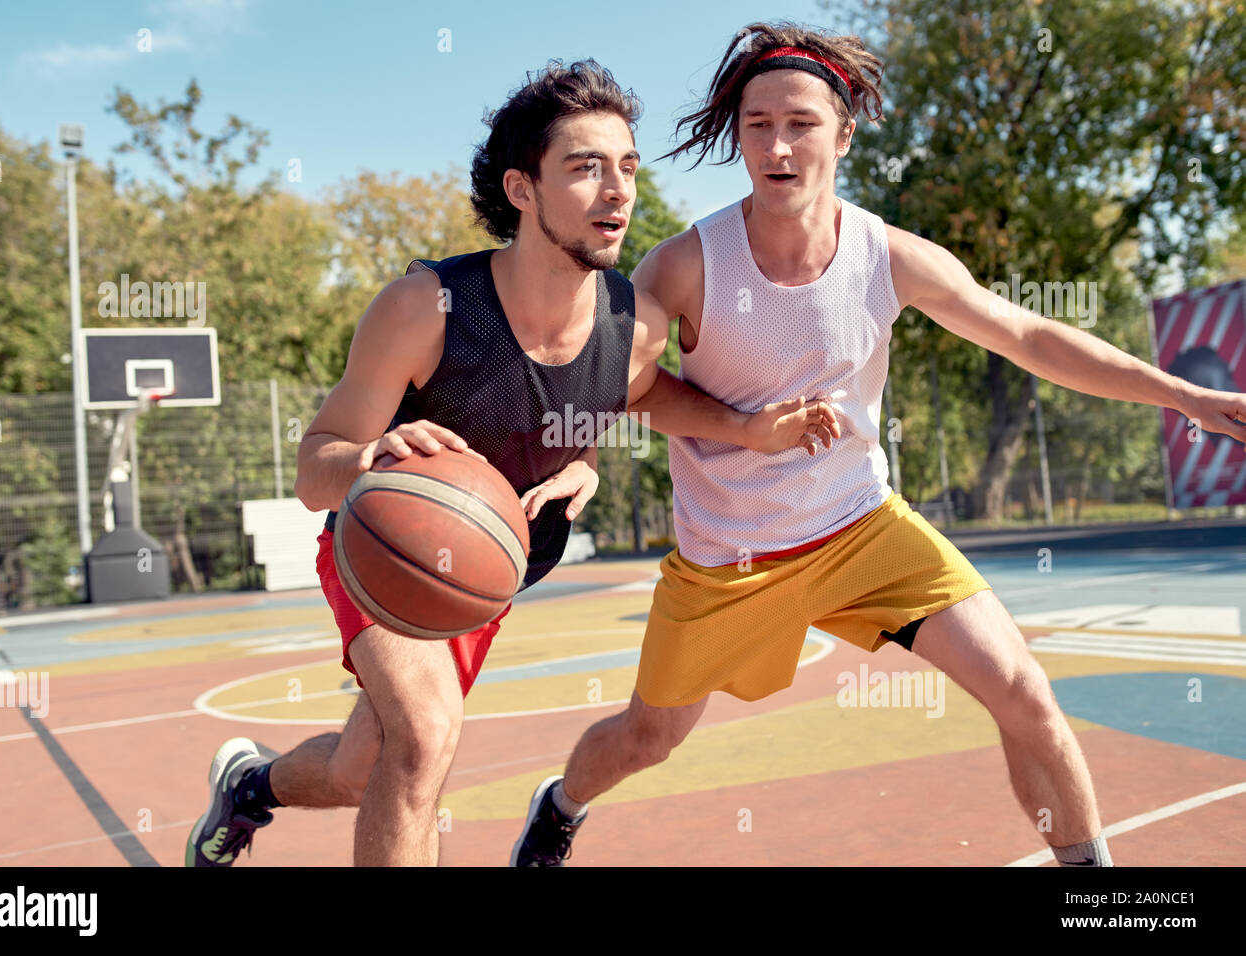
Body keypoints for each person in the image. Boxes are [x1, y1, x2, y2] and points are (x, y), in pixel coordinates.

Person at [511, 22, 1246, 867]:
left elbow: (1029, 336)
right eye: (757, 125)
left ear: (844, 134)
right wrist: (599, 455)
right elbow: (619, 380)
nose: (778, 145)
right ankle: (561, 804)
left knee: (1026, 694)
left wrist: (1184, 394)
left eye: (801, 123)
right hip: (732, 556)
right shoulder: (686, 264)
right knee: (648, 737)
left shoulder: (885, 256)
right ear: (739, 135)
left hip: (862, 525)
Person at [185, 59, 839, 867]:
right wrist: (366, 457)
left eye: (627, 166)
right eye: (584, 167)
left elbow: (639, 395)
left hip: (488, 573)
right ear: (523, 190)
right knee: (424, 738)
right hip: (389, 550)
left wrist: (734, 432)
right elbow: (312, 467)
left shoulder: (629, 323)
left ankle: (251, 787)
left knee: (368, 768)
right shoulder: (426, 309)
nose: (617, 190)